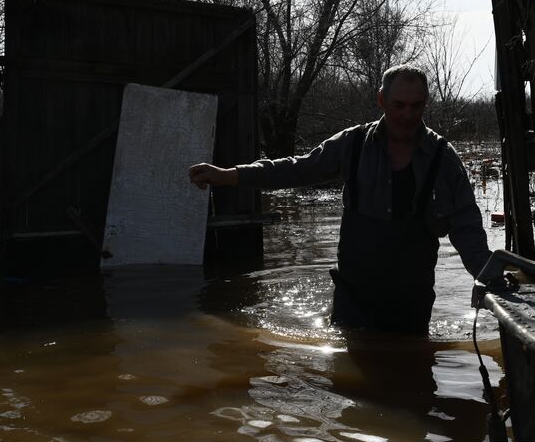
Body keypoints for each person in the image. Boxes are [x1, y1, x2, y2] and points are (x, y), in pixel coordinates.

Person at [189, 65, 492, 334]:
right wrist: (230, 175)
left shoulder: (443, 157)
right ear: (381, 100)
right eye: (399, 105)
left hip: (411, 303)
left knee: (413, 381)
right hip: (354, 301)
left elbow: (466, 225)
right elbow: (298, 169)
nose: (407, 115)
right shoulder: (354, 143)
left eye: (416, 106)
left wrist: (487, 277)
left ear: (425, 104)